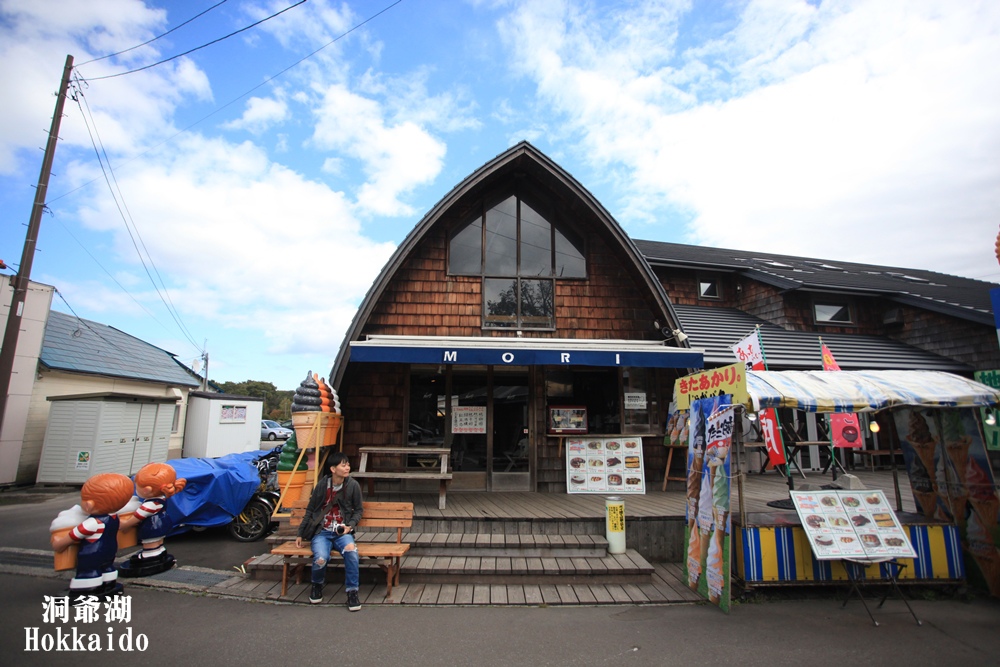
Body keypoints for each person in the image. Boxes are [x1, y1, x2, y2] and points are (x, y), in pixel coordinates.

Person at [51, 473, 135, 602]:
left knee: (89, 569)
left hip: (92, 552)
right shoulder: (114, 516)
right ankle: (109, 582)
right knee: (107, 566)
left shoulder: (92, 523)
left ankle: (87, 588)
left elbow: (73, 536)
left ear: (89, 504)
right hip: (110, 549)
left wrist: (59, 544)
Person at [295, 452, 363, 610]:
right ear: (333, 469)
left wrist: (350, 526)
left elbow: (359, 510)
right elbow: (311, 510)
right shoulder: (322, 485)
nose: (347, 468)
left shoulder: (353, 485)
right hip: (322, 532)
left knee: (351, 552)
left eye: (347, 464)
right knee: (321, 558)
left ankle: (352, 592)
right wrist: (300, 533)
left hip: (342, 532)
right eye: (343, 465)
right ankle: (316, 585)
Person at [117, 462, 187, 577]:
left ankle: (150, 555)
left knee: (151, 541)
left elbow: (137, 517)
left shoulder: (150, 505)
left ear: (147, 490)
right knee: (158, 540)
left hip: (152, 526)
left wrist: (125, 524)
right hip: (162, 523)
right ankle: (160, 551)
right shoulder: (161, 498)